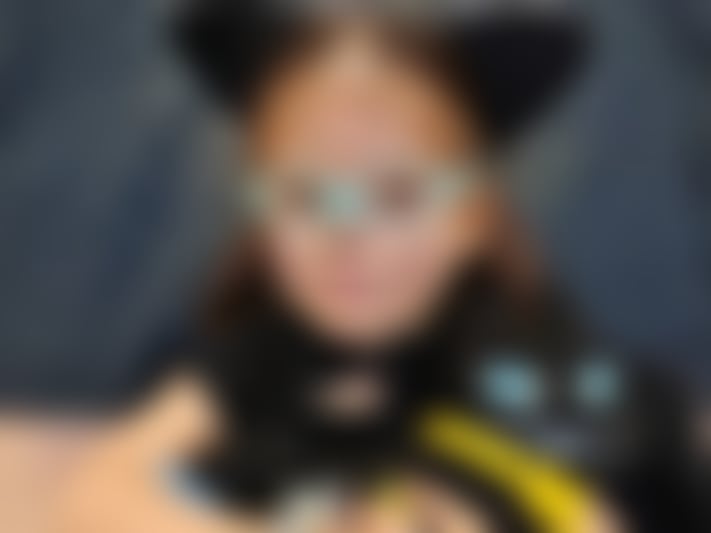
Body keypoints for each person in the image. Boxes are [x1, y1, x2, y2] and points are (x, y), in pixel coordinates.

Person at [53, 3, 705, 533]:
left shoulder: (534, 362)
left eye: (397, 196)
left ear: (473, 216)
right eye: (307, 196)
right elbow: (98, 494)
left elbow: (596, 500)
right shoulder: (265, 350)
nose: (348, 238)